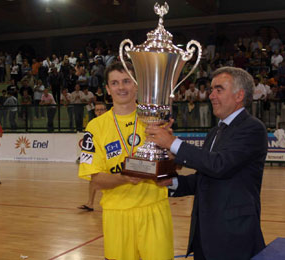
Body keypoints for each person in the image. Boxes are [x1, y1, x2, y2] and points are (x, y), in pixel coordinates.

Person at [147, 66, 268, 259]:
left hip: (234, 235)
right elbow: (206, 177)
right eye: (211, 90)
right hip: (205, 233)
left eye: (219, 90)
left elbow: (219, 165)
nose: (211, 95)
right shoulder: (215, 131)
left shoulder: (252, 128)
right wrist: (173, 183)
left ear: (239, 96)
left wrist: (172, 143)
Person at [78, 62, 174, 260]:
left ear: (136, 85)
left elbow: (172, 168)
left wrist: (169, 150)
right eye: (115, 83)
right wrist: (124, 178)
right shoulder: (95, 127)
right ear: (107, 88)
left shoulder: (155, 119)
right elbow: (95, 178)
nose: (121, 87)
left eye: (126, 81)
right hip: (116, 214)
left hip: (154, 209)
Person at [78, 102, 107, 211]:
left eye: (102, 109)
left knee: (112, 179)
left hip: (111, 156)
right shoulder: (92, 124)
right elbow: (88, 143)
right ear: (94, 112)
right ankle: (90, 203)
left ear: (106, 110)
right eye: (98, 110)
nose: (100, 112)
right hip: (98, 156)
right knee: (94, 179)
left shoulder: (112, 123)